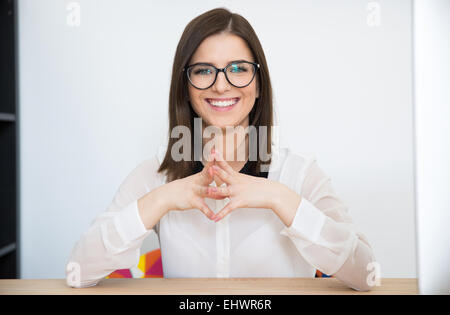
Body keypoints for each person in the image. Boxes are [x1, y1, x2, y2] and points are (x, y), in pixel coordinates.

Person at [66, 7, 376, 291]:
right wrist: (160, 200)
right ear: (185, 87)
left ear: (258, 84)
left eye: (238, 68)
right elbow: (78, 271)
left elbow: (366, 274)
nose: (221, 85)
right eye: (203, 71)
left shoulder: (300, 173)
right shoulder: (156, 174)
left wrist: (279, 197)